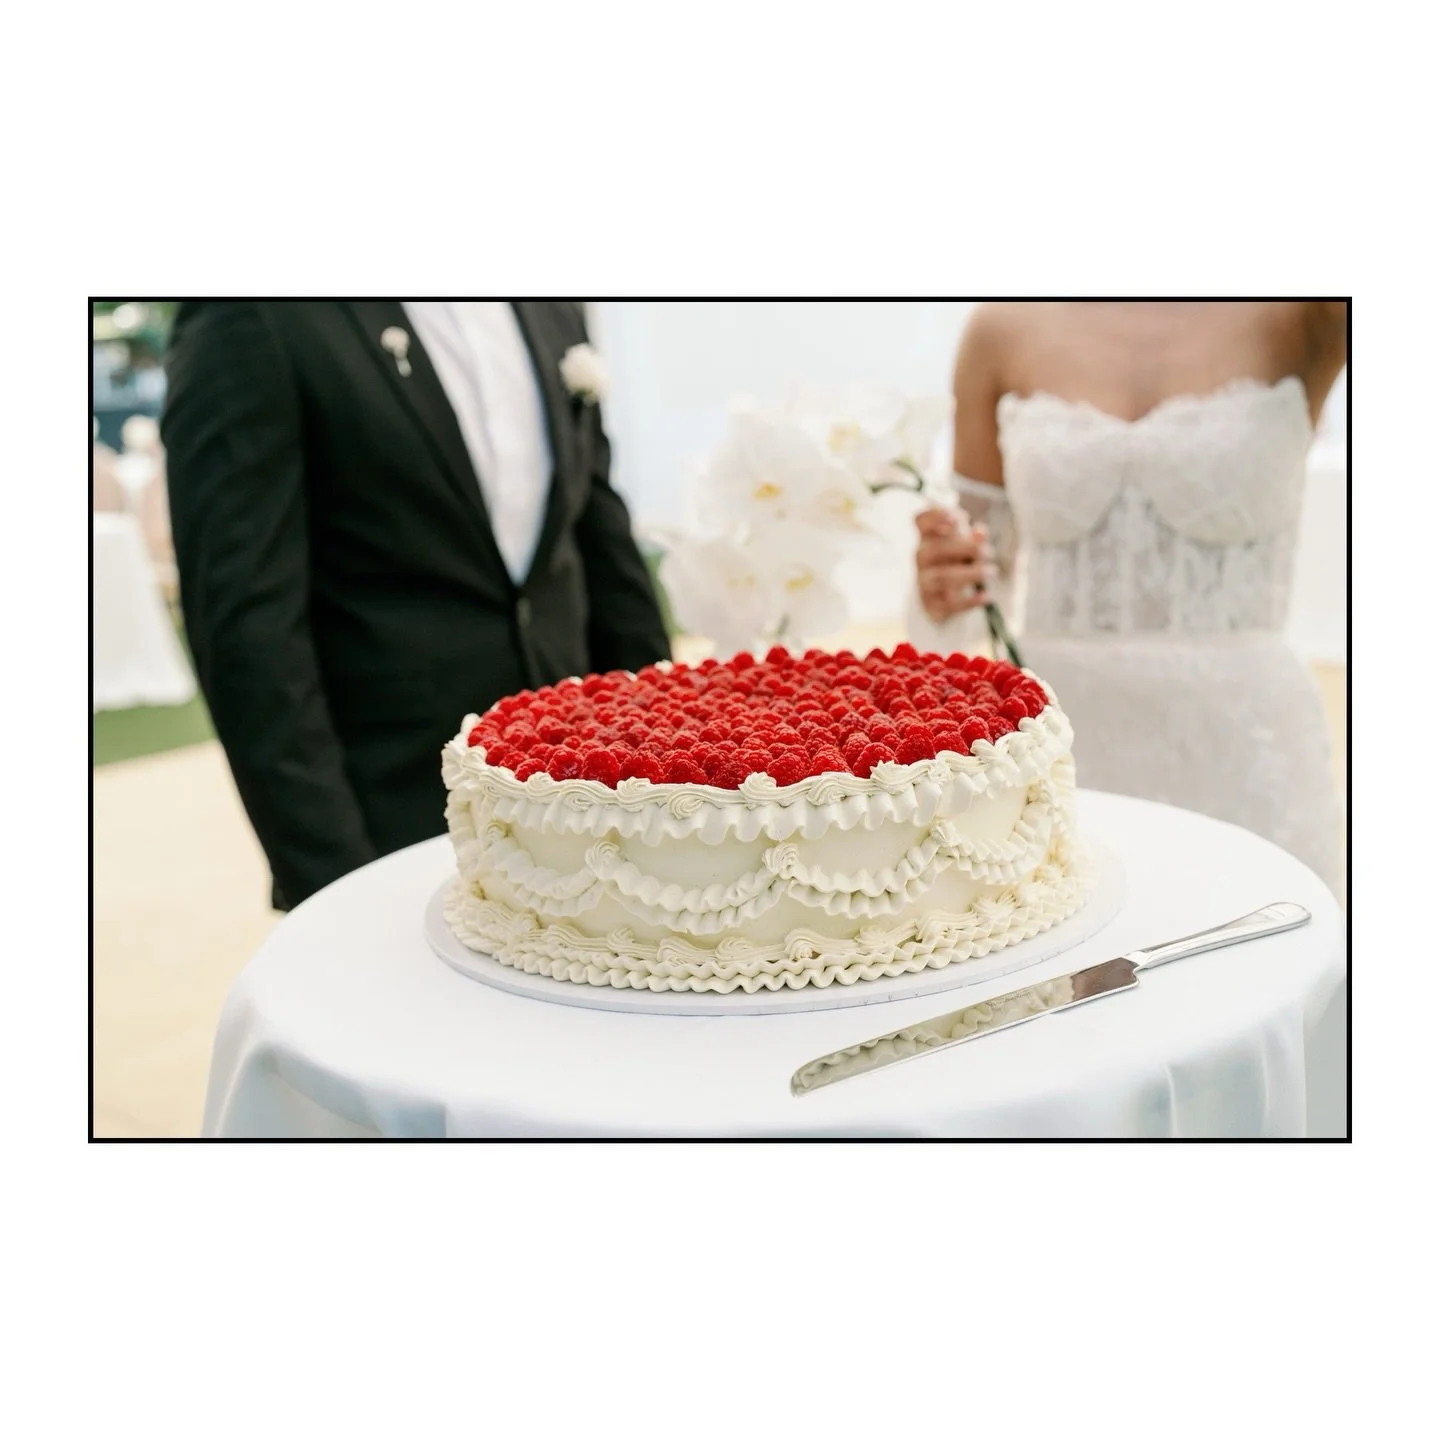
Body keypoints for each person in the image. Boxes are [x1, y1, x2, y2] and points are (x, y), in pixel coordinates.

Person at [163, 301, 670, 910]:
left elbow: (597, 536)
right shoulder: (252, 313)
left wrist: (667, 777)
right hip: (394, 823)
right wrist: (334, 886)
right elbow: (248, 630)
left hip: (595, 813)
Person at [908, 300, 1346, 894]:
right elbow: (977, 578)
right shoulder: (1001, 327)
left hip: (1250, 755)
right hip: (1060, 752)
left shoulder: (1306, 314)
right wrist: (941, 584)